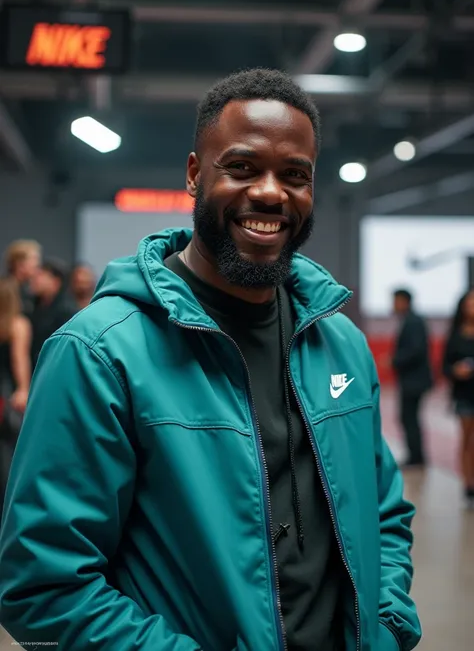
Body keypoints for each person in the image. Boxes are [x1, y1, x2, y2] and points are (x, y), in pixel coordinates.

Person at [0, 69, 421, 651]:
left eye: (295, 175)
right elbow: (45, 588)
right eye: (243, 168)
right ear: (196, 175)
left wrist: (388, 627)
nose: (271, 193)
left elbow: (384, 513)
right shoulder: (99, 353)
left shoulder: (340, 342)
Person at [0, 277, 31, 512]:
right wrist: (23, 389)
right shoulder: (17, 324)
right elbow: (18, 360)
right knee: (10, 455)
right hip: (7, 395)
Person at [392, 289, 432, 467]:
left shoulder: (413, 322)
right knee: (408, 417)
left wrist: (395, 360)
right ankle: (415, 454)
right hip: (411, 379)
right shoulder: (409, 320)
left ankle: (416, 456)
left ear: (404, 301)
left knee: (409, 417)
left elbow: (416, 350)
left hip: (414, 380)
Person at [443, 289, 474, 505]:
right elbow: (445, 367)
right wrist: (456, 371)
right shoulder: (455, 334)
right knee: (467, 440)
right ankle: (468, 484)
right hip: (464, 394)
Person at [29, 259, 77, 367]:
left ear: (56, 281)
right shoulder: (33, 306)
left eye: (40, 275)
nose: (34, 280)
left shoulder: (67, 312)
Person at [3, 239, 42, 317]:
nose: (38, 264)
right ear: (20, 264)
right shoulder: (4, 289)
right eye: (34, 258)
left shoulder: (29, 290)